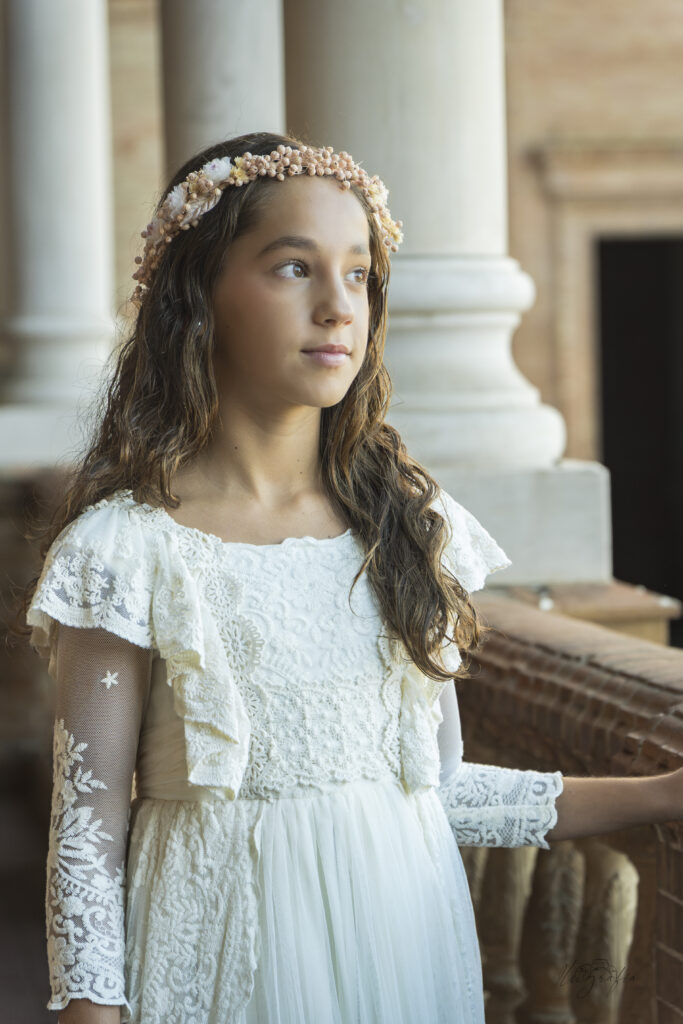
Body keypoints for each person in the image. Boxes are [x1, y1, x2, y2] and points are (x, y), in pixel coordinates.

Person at [16, 130, 682, 1024]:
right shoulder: (125, 553)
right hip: (220, 955)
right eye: (294, 268)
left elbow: (429, 789)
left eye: (359, 274)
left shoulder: (410, 526)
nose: (338, 306)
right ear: (197, 297)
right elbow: (86, 837)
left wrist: (655, 796)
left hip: (403, 945)